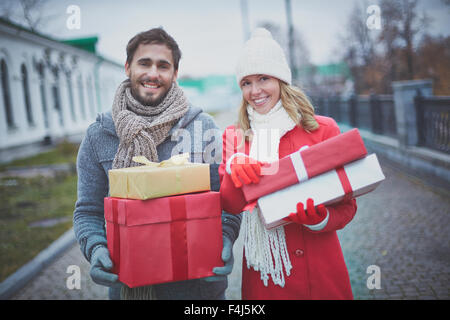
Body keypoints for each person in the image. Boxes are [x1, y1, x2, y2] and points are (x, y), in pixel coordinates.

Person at [73, 27, 241, 300]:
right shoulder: (99, 135)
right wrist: (95, 248)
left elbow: (228, 200)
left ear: (175, 74)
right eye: (144, 63)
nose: (153, 73)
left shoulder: (203, 127)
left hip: (198, 290)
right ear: (127, 67)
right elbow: (88, 210)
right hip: (129, 285)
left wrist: (225, 237)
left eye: (163, 66)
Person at [219, 28, 357, 300]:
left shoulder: (323, 129)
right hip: (267, 276)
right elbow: (230, 205)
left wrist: (321, 219)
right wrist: (236, 169)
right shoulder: (234, 136)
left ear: (281, 80)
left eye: (263, 78)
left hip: (321, 271)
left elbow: (348, 204)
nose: (255, 91)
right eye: (246, 83)